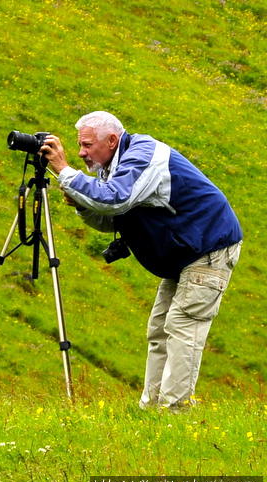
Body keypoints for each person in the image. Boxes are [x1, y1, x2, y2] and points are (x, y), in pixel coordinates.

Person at [38, 111, 243, 410]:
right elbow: (112, 219)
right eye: (79, 146)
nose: (81, 152)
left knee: (183, 325)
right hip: (183, 252)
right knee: (159, 329)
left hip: (208, 246)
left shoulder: (143, 155)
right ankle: (151, 409)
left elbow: (114, 200)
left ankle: (175, 412)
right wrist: (81, 204)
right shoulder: (113, 165)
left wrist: (66, 171)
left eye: (86, 145)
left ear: (111, 140)